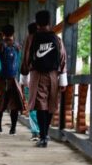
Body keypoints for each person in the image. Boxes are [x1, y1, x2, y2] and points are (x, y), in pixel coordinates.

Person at [21, 9, 67, 147]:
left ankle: (43, 136)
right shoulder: (56, 38)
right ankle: (46, 133)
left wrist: (24, 77)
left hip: (37, 74)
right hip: (54, 75)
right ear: (49, 22)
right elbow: (63, 58)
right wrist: (63, 79)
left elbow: (26, 57)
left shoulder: (32, 38)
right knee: (51, 104)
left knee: (41, 105)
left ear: (37, 23)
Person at [0, 24, 26, 135]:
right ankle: (13, 128)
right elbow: (20, 63)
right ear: (13, 34)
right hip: (13, 79)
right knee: (14, 105)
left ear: (2, 34)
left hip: (1, 79)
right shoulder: (17, 47)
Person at [20, 22, 40, 141]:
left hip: (29, 78)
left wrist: (22, 79)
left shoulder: (28, 40)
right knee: (42, 105)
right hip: (43, 79)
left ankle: (35, 132)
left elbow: (24, 60)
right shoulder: (45, 39)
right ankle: (41, 130)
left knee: (32, 106)